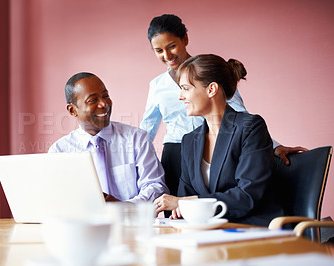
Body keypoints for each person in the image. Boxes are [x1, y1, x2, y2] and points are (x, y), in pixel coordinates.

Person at [140, 14, 307, 197]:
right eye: (159, 50)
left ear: (185, 39)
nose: (167, 55)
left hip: (219, 147)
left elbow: (242, 118)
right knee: (179, 212)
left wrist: (273, 146)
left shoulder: (209, 70)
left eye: (172, 46)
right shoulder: (156, 85)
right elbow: (147, 129)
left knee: (218, 204)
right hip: (177, 153)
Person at [153, 54, 284, 226]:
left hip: (253, 229)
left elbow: (247, 196)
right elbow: (185, 200)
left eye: (185, 88)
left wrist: (186, 203)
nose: (180, 96)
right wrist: (181, 209)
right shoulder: (189, 141)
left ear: (211, 89)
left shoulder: (250, 127)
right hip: (209, 233)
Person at [49, 72, 169, 203]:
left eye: (105, 96)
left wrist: (126, 208)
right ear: (73, 110)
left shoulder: (137, 138)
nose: (103, 104)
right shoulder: (60, 151)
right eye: (93, 100)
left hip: (131, 221)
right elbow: (57, 197)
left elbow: (156, 187)